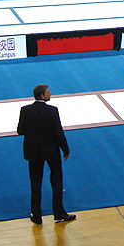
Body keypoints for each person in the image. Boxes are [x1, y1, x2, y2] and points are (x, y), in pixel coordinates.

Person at [17, 84, 76, 224]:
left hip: (34, 152)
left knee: (35, 182)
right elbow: (58, 132)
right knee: (56, 181)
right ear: (42, 96)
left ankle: (36, 215)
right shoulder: (52, 111)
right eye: (48, 93)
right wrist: (65, 150)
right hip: (51, 151)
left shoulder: (25, 110)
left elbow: (20, 130)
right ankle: (59, 213)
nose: (51, 94)